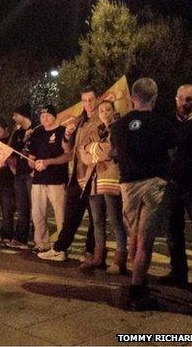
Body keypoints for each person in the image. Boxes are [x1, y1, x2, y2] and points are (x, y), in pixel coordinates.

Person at [111, 78, 175, 311]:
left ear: (132, 98)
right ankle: (138, 290)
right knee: (145, 240)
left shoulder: (118, 126)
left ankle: (136, 282)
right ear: (155, 98)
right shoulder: (163, 124)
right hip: (153, 184)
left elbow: (115, 154)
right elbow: (172, 153)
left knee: (133, 236)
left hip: (128, 185)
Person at [39, 87, 98, 261]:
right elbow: (68, 149)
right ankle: (60, 248)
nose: (87, 104)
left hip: (93, 174)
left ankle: (92, 252)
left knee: (96, 217)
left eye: (90, 100)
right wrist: (66, 136)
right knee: (71, 214)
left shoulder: (100, 119)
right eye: (84, 100)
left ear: (97, 99)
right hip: (76, 174)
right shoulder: (79, 120)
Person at [162, 84, 192, 287]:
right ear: (175, 99)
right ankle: (178, 273)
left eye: (189, 99)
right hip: (173, 184)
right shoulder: (167, 122)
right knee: (173, 231)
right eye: (181, 98)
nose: (184, 103)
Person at [77, 100, 126, 274]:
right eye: (102, 110)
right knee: (97, 221)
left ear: (114, 111)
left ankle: (120, 260)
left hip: (111, 179)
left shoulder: (119, 128)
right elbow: (82, 152)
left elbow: (109, 151)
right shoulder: (98, 130)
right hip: (94, 180)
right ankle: (99, 256)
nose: (105, 113)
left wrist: (93, 149)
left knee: (115, 220)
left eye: (108, 109)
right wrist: (94, 150)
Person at [27, 105, 70, 253]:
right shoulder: (37, 134)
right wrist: (33, 163)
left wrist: (47, 162)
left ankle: (62, 245)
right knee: (38, 213)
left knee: (61, 214)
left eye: (47, 115)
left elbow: (68, 156)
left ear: (54, 116)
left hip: (57, 180)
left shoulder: (62, 132)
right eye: (42, 116)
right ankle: (42, 243)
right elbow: (31, 157)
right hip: (38, 180)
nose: (44, 118)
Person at [8, 104, 33, 249]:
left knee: (36, 208)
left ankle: (39, 240)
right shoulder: (17, 132)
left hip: (32, 174)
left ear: (23, 115)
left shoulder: (36, 129)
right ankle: (21, 238)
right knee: (22, 208)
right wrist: (16, 134)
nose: (14, 118)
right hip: (20, 174)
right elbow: (11, 149)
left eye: (16, 115)